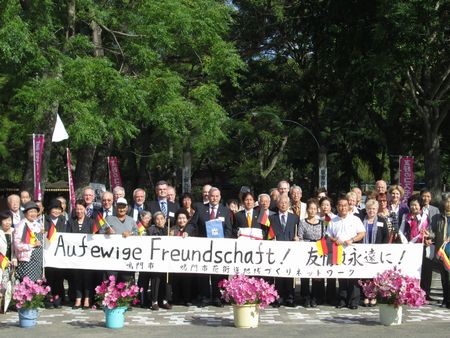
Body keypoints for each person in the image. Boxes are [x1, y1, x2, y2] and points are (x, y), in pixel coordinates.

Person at [190, 187, 232, 307]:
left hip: (219, 248)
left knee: (217, 272)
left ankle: (217, 297)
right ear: (208, 196)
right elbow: (193, 223)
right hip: (204, 247)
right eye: (212, 196)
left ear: (220, 197)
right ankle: (205, 296)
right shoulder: (201, 209)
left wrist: (225, 241)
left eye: (216, 196)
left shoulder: (225, 210)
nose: (214, 198)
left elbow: (228, 229)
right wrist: (186, 232)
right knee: (204, 272)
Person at [326, 197, 366, 310]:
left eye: (345, 205)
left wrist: (352, 240)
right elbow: (328, 235)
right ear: (337, 207)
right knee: (342, 276)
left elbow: (362, 233)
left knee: (353, 277)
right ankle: (342, 300)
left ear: (349, 207)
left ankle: (353, 301)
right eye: (340, 205)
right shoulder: (333, 221)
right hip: (338, 251)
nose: (342, 207)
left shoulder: (355, 219)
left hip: (352, 251)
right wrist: (334, 240)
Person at [399, 195, 433, 300]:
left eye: (416, 205)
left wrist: (427, 236)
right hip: (409, 247)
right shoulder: (406, 216)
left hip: (421, 247)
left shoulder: (425, 217)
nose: (414, 207)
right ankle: (409, 293)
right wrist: (406, 242)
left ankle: (424, 293)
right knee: (409, 270)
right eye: (412, 205)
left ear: (420, 206)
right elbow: (401, 230)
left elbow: (428, 231)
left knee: (424, 270)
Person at [269, 194, 299, 307]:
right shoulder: (272, 218)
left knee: (290, 274)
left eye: (286, 203)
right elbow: (269, 234)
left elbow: (298, 232)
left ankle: (290, 298)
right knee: (279, 275)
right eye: (281, 202)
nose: (283, 204)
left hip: (290, 250)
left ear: (289, 204)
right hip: (277, 250)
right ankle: (278, 297)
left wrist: (297, 239)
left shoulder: (294, 218)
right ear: (277, 204)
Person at [359, 199, 389, 306]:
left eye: (373, 209)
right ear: (366, 209)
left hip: (377, 253)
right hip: (363, 252)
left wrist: (383, 249)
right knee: (365, 275)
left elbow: (386, 236)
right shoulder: (361, 220)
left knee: (375, 276)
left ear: (377, 210)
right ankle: (365, 296)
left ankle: (374, 296)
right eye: (369, 209)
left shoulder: (382, 220)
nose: (371, 211)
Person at [66, 199, 95, 309]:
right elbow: (66, 237)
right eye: (77, 209)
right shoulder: (70, 221)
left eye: (81, 209)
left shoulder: (91, 222)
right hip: (75, 255)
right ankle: (78, 299)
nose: (79, 211)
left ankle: (87, 298)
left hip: (88, 255)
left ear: (85, 209)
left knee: (87, 277)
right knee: (76, 277)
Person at [298, 199, 324, 307]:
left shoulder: (322, 223)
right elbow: (300, 236)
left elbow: (323, 237)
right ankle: (306, 297)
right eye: (310, 208)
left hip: (318, 250)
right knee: (305, 275)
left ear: (317, 210)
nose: (312, 211)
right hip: (306, 250)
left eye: (314, 209)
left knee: (316, 275)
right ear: (307, 210)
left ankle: (315, 297)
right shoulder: (302, 222)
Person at [104, 198, 137, 283]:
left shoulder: (131, 220)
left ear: (127, 208)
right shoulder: (108, 219)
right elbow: (100, 232)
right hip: (112, 257)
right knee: (111, 282)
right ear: (115, 208)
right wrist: (107, 232)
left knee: (126, 283)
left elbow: (138, 234)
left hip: (127, 257)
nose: (121, 209)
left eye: (123, 207)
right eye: (119, 207)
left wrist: (131, 233)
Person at [43, 199, 67, 308]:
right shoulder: (44, 220)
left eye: (58, 209)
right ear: (50, 209)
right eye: (54, 208)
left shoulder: (64, 220)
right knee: (49, 277)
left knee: (59, 277)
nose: (56, 211)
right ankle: (49, 299)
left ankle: (59, 299)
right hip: (48, 253)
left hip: (60, 254)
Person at [13, 201, 44, 282]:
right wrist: (32, 245)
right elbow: (18, 244)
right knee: (27, 285)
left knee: (37, 285)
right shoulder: (21, 225)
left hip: (38, 261)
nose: (33, 214)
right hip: (27, 261)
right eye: (31, 211)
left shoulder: (38, 224)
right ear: (25, 213)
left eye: (35, 211)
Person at [148, 212, 172, 310]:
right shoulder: (151, 230)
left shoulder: (168, 230)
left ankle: (164, 300)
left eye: (162, 218)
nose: (160, 221)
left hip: (166, 259)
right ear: (154, 221)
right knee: (156, 279)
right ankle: (154, 301)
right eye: (157, 219)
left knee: (165, 280)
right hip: (156, 258)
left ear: (165, 220)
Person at [430, 196, 450, 309]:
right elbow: (433, 232)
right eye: (447, 201)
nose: (448, 203)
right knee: (444, 277)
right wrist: (428, 235)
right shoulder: (438, 217)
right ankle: (445, 299)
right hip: (442, 251)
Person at [170, 209, 193, 306]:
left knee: (187, 280)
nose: (181, 220)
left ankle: (187, 299)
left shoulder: (191, 228)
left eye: (184, 218)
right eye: (179, 218)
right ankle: (176, 298)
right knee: (175, 279)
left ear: (187, 219)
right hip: (175, 260)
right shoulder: (172, 229)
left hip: (187, 259)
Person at [318, 196, 336, 305]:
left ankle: (331, 296)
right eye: (323, 205)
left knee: (330, 271)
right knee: (320, 272)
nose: (325, 207)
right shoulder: (316, 217)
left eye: (327, 205)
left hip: (331, 246)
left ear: (331, 206)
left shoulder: (335, 218)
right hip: (319, 245)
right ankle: (319, 296)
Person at [0, 212, 16, 313]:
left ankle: (12, 304)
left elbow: (17, 248)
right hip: (2, 262)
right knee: (3, 284)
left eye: (9, 220)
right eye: (5, 220)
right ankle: (2, 306)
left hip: (13, 262)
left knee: (13, 284)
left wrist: (15, 258)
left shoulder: (15, 231)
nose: (7, 222)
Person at [136, 210, 152, 308]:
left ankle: (147, 297)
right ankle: (141, 299)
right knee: (142, 280)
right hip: (141, 257)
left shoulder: (152, 228)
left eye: (149, 218)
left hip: (150, 257)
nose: (148, 220)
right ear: (141, 219)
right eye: (145, 218)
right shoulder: (138, 228)